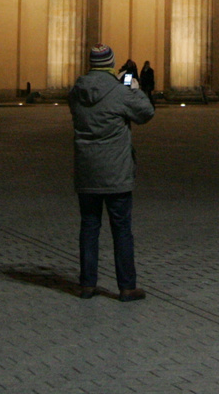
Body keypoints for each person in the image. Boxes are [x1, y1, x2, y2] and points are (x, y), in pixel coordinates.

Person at [69, 44, 154, 301]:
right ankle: (127, 287)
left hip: (87, 170)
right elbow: (146, 113)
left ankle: (87, 284)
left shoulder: (76, 92)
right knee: (121, 230)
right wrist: (133, 89)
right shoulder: (119, 92)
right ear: (111, 64)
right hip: (116, 172)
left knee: (89, 227)